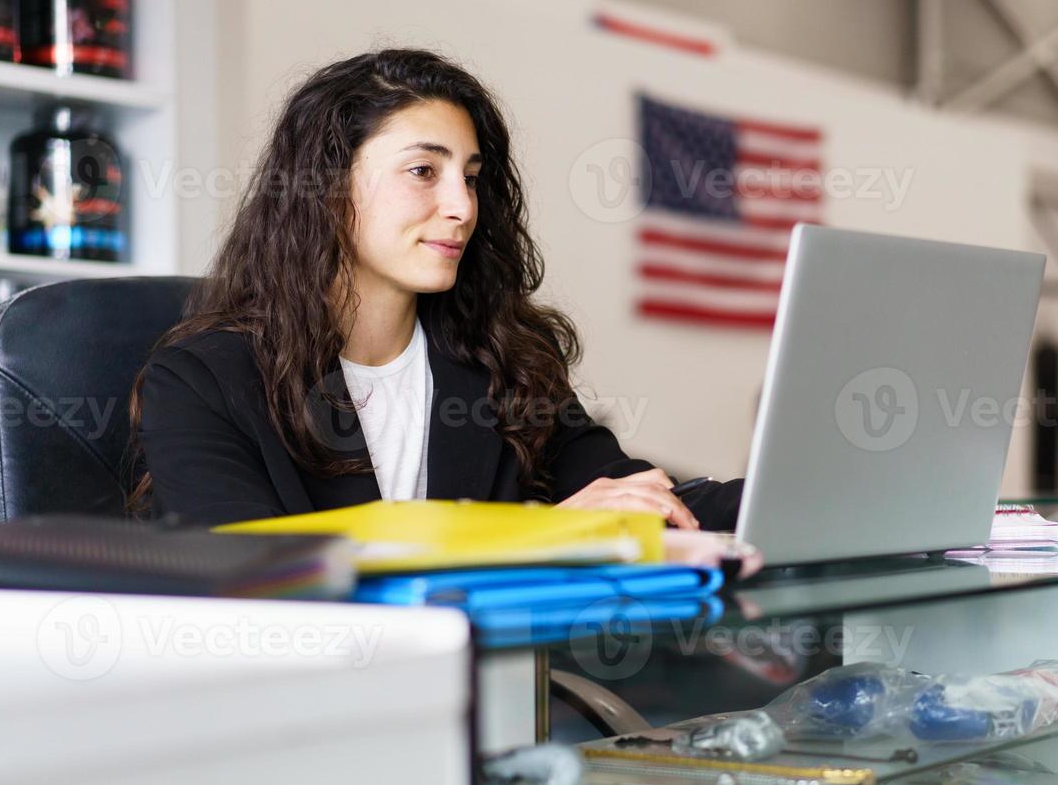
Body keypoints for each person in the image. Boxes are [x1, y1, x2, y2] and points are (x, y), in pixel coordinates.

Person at [130, 48, 741, 529]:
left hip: (490, 687)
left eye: (471, 178)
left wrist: (801, 491)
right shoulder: (202, 380)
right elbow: (255, 591)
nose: (461, 207)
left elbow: (629, 498)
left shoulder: (504, 360)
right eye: (424, 171)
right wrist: (541, 537)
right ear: (326, 187)